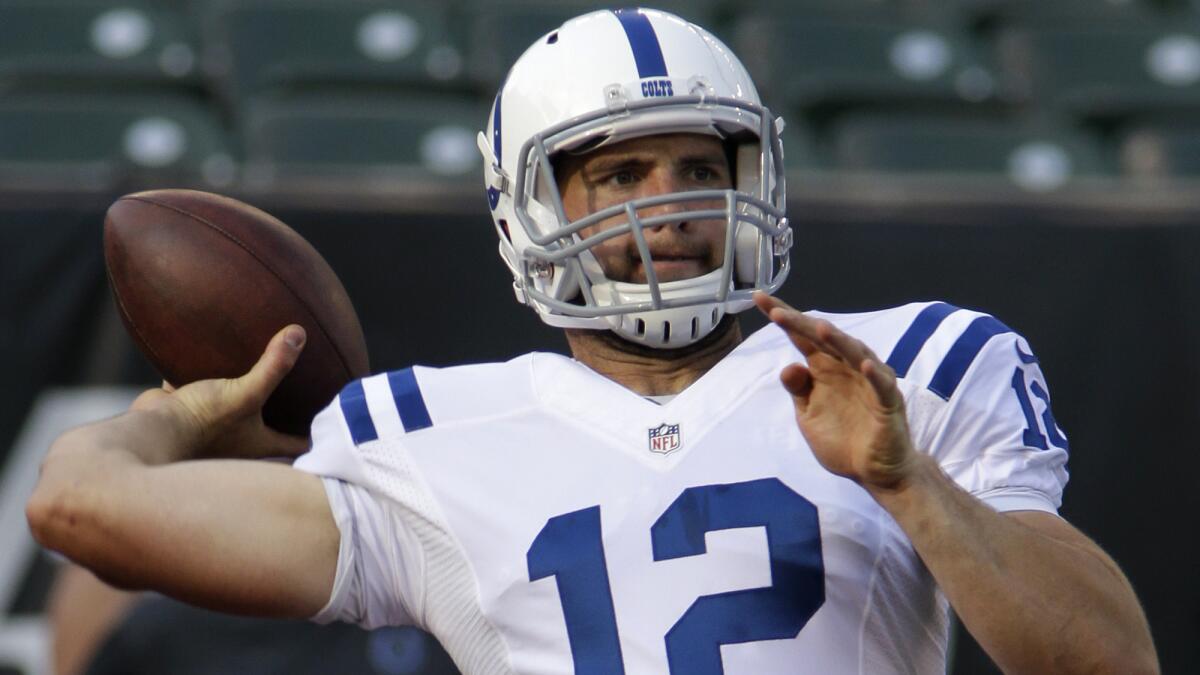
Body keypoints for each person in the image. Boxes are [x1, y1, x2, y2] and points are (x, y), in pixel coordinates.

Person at [27, 8, 1157, 675]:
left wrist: (913, 486)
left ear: (753, 180)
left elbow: (1111, 660)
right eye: (619, 173)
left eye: (700, 170)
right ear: (532, 209)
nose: (667, 207)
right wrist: (173, 412)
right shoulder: (428, 435)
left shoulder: (913, 366)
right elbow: (79, 508)